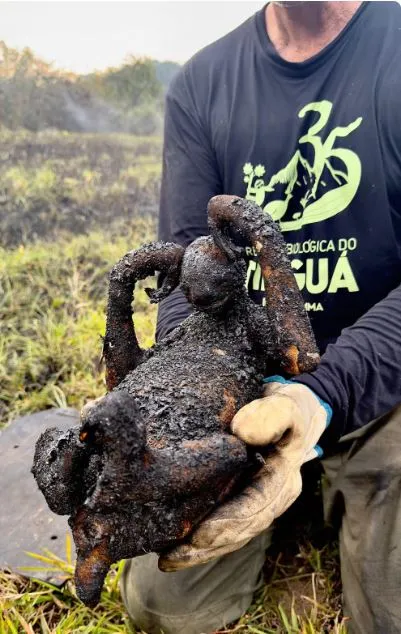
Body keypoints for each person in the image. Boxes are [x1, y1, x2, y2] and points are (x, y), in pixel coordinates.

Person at [120, 2, 401, 633]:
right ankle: (298, 488)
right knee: (164, 608)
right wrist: (192, 403)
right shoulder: (203, 84)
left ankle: (335, 481)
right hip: (249, 395)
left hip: (387, 379)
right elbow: (186, 270)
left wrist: (320, 397)